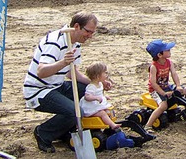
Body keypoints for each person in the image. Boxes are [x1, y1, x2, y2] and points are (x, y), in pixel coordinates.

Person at [23, 11, 108, 153]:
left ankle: (63, 130)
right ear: (76, 26)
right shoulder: (55, 41)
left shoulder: (75, 44)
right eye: (88, 32)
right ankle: (43, 133)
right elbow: (41, 71)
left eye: (93, 33)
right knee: (76, 112)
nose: (90, 36)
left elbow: (72, 73)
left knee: (85, 90)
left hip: (57, 85)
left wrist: (96, 83)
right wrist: (63, 62)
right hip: (38, 91)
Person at [144, 39, 186, 133]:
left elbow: (174, 74)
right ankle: (148, 125)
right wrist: (163, 93)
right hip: (156, 90)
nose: (169, 51)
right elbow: (153, 83)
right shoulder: (153, 67)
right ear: (159, 55)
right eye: (167, 50)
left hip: (167, 86)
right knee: (163, 106)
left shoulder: (169, 62)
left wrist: (178, 86)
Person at [79, 62, 121, 130]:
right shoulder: (91, 86)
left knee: (108, 111)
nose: (106, 75)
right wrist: (95, 98)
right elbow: (87, 97)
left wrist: (104, 97)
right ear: (97, 76)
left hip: (97, 104)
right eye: (105, 73)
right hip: (91, 107)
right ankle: (112, 125)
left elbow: (99, 94)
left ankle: (108, 123)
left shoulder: (100, 84)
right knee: (103, 114)